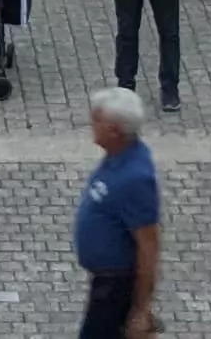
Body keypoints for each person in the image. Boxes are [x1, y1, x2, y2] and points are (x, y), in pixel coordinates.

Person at [73, 85, 162, 339]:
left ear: (114, 130)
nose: (91, 122)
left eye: (97, 119)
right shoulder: (117, 155)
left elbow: (149, 245)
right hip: (104, 283)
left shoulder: (136, 178)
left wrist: (142, 310)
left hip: (116, 287)